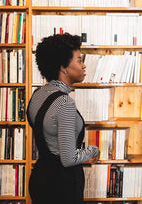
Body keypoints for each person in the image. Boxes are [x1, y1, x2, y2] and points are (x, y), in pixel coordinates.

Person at [27, 33, 99, 204]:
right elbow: (68, 159)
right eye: (79, 60)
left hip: (40, 177)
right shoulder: (64, 103)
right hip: (62, 185)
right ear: (63, 67)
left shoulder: (37, 94)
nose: (84, 66)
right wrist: (93, 150)